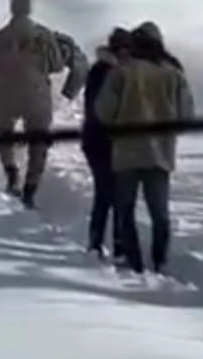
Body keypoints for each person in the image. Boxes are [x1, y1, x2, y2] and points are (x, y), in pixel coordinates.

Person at [95, 23, 194, 275]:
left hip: (126, 151)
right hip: (160, 152)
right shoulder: (174, 74)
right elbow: (186, 115)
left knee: (125, 209)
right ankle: (160, 259)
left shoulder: (121, 73)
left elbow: (103, 111)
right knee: (159, 212)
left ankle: (133, 260)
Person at [0, 0, 65, 208]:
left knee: (1, 130)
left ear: (11, 8)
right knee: (38, 142)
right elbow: (58, 65)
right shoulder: (44, 35)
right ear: (29, 9)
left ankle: (11, 171)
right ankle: (31, 188)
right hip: (38, 95)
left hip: (7, 94)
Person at [81, 27, 131, 262]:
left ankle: (101, 242)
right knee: (109, 193)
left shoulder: (102, 70)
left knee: (109, 193)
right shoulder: (107, 72)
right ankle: (108, 244)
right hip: (102, 141)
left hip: (98, 140)